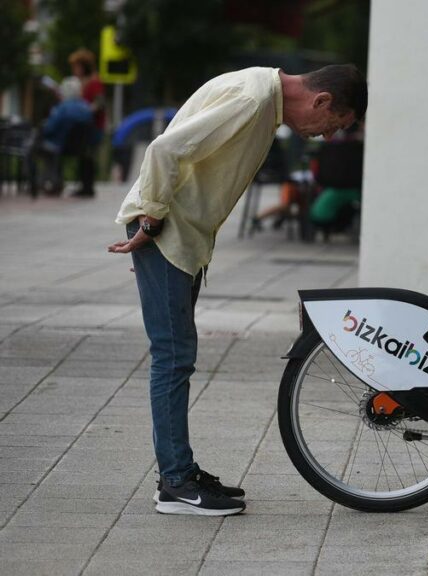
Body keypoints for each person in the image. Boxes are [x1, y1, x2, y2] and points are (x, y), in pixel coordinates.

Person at [106, 65, 367, 516]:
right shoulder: (252, 100)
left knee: (175, 354)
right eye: (333, 126)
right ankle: (176, 483)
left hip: (179, 232)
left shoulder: (261, 96)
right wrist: (149, 220)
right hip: (167, 228)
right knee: (173, 354)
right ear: (322, 100)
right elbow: (165, 149)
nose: (325, 136)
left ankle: (178, 471)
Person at [31, 77, 98, 196]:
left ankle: (42, 182)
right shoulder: (86, 108)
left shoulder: (63, 108)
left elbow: (49, 128)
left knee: (36, 147)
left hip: (60, 145)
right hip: (81, 148)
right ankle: (54, 181)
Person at [68, 49, 105, 198]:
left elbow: (99, 102)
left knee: (88, 155)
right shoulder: (82, 83)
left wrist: (87, 110)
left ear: (84, 66)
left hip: (93, 126)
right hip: (85, 126)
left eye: (76, 66)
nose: (74, 70)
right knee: (83, 155)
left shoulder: (94, 82)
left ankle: (87, 187)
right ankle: (84, 185)